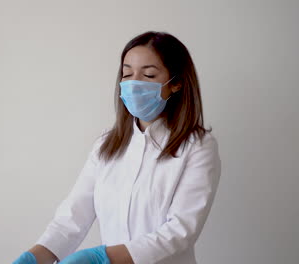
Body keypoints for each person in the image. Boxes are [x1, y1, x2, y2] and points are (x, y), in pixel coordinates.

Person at [12, 31, 222, 264]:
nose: (134, 83)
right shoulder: (107, 145)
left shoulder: (197, 147)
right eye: (127, 74)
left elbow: (181, 231)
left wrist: (102, 258)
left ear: (177, 83)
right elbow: (72, 218)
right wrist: (35, 257)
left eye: (149, 74)